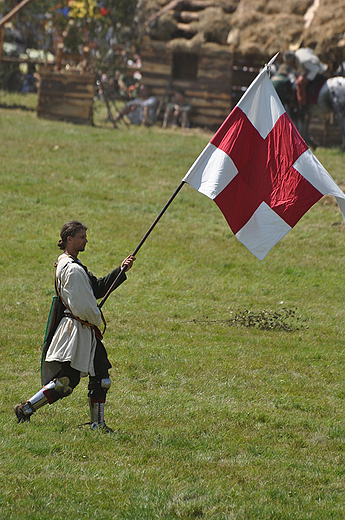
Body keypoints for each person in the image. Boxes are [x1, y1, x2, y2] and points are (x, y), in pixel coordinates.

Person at [14, 221, 135, 432]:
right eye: (82, 237)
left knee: (101, 376)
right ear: (69, 239)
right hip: (76, 330)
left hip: (84, 330)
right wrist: (95, 316)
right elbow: (84, 307)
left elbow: (96, 289)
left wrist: (121, 270)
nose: (86, 240)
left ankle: (98, 424)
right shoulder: (71, 269)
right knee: (64, 382)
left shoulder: (75, 266)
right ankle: (26, 409)